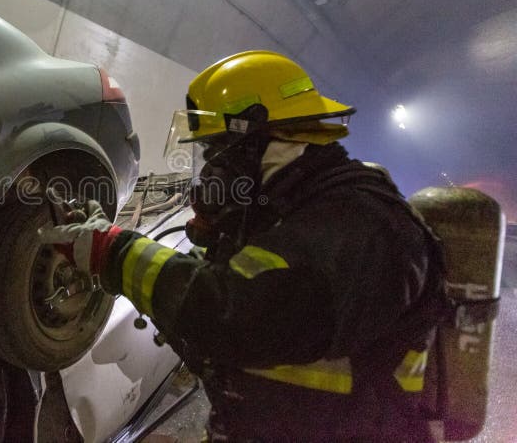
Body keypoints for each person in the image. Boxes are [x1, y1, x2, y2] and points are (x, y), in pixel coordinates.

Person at [40, 50, 445, 442]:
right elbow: (214, 307)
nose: (210, 172)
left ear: (262, 142)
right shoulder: (287, 211)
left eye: (216, 153)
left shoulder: (363, 226)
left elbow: (230, 315)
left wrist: (113, 253)